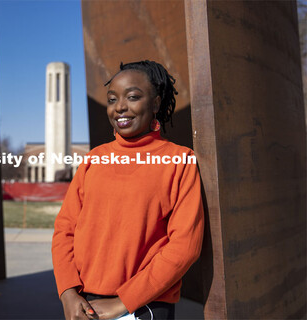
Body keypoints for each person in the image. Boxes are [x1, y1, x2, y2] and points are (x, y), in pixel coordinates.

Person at [51, 60, 204, 320]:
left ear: (155, 104)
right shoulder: (94, 159)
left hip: (146, 306)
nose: (120, 106)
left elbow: (185, 246)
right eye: (112, 99)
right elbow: (64, 230)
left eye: (132, 97)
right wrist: (67, 292)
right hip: (84, 304)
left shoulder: (179, 160)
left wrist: (123, 302)